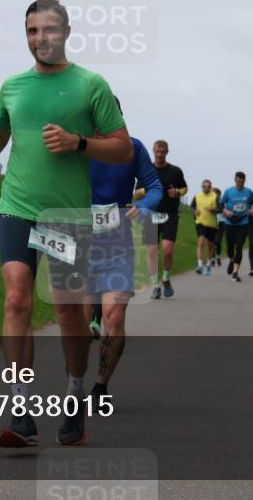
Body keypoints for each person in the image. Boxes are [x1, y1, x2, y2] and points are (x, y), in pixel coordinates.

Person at [0, 0, 133, 447]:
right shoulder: (13, 86)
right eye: (31, 32)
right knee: (17, 299)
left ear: (65, 32)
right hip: (17, 206)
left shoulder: (91, 85)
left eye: (47, 30)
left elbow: (122, 148)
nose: (39, 39)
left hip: (66, 216)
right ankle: (21, 410)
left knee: (67, 311)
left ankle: (75, 394)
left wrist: (79, 143)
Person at [84, 97, 162, 413]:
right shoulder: (78, 146)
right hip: (79, 239)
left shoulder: (134, 148)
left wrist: (142, 206)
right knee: (75, 322)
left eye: (111, 114)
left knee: (114, 316)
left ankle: (100, 386)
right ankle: (74, 382)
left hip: (117, 242)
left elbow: (154, 186)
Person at [141, 140, 187, 298]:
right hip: (150, 215)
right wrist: (148, 190)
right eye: (157, 151)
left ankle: (166, 278)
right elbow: (137, 192)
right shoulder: (145, 170)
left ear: (167, 152)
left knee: (167, 250)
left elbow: (184, 188)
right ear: (153, 151)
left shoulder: (175, 171)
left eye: (163, 151)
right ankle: (155, 285)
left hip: (169, 215)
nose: (160, 154)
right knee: (152, 252)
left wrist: (178, 193)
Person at [218, 171, 253, 282]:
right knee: (230, 248)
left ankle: (235, 272)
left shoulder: (248, 192)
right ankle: (231, 259)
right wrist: (225, 211)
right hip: (230, 222)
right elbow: (220, 204)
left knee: (239, 246)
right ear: (235, 180)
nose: (240, 184)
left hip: (243, 222)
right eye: (238, 182)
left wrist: (252, 209)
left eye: (242, 182)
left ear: (245, 181)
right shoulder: (228, 191)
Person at [192, 179, 219, 276]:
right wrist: (194, 211)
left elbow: (220, 209)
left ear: (211, 187)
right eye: (204, 186)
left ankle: (208, 264)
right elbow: (192, 207)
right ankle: (200, 265)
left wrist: (213, 209)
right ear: (201, 186)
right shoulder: (197, 196)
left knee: (210, 245)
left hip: (211, 224)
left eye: (208, 186)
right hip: (200, 222)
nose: (206, 187)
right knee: (201, 241)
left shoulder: (215, 196)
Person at [212, 187, 226, 266]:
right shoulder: (210, 202)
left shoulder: (222, 203)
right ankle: (213, 258)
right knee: (213, 242)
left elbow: (226, 211)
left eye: (218, 195)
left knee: (218, 241)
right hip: (213, 223)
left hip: (222, 223)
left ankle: (218, 256)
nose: (216, 196)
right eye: (214, 194)